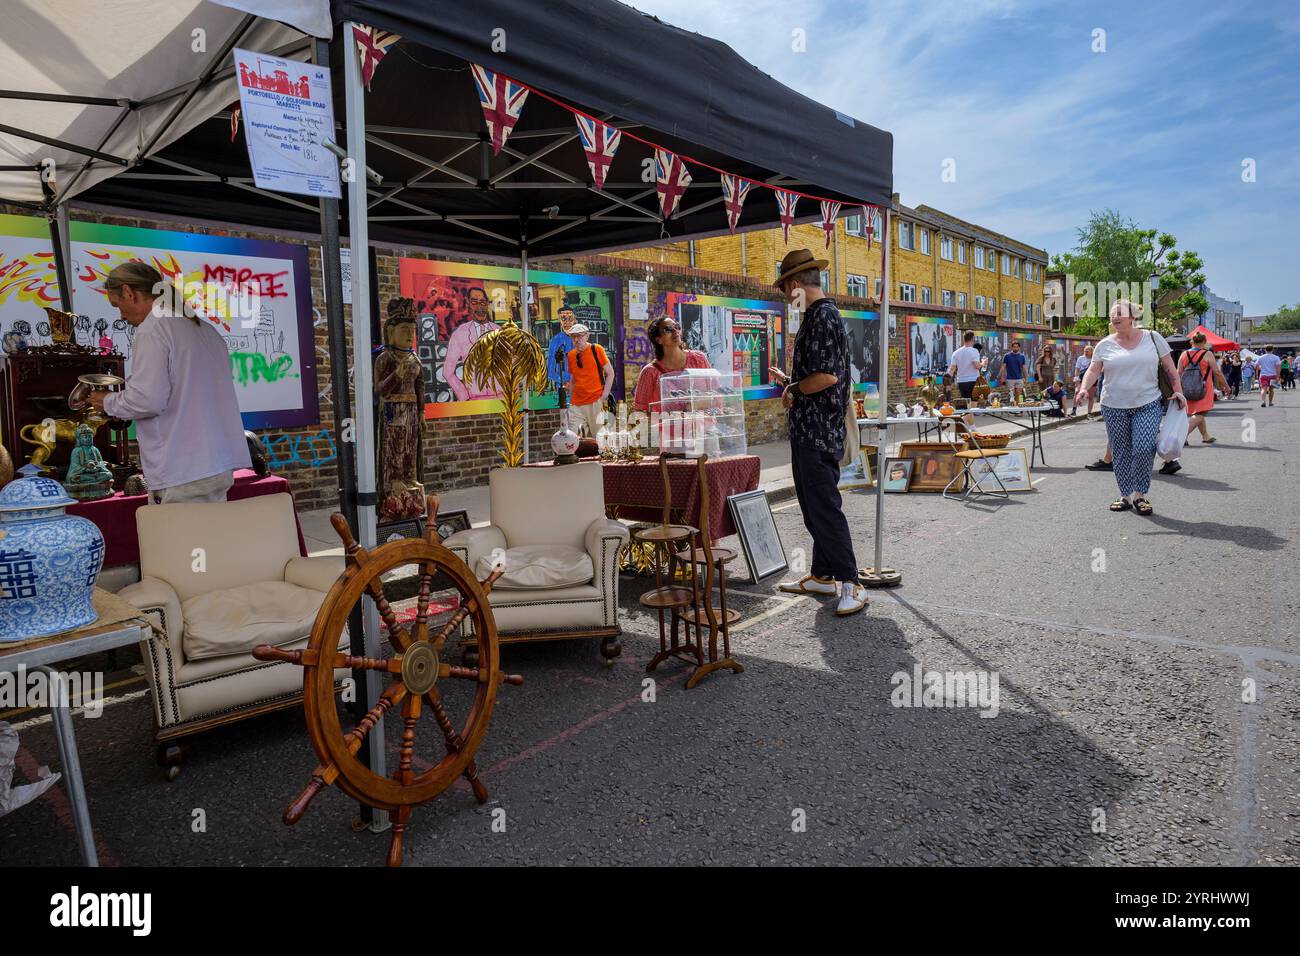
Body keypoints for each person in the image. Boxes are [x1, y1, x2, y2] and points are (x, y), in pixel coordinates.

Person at [87, 261, 250, 503]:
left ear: (129, 292)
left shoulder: (153, 329)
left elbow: (148, 400)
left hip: (181, 469)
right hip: (215, 464)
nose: (120, 315)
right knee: (212, 540)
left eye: (117, 304)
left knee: (181, 542)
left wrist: (107, 401)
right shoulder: (205, 329)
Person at [769, 249, 867, 616]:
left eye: (784, 290)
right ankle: (822, 576)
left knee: (824, 509)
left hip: (817, 432)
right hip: (813, 429)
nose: (785, 297)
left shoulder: (822, 316)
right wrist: (794, 382)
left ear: (796, 285)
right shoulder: (819, 316)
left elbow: (826, 377)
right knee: (814, 508)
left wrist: (793, 390)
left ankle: (851, 583)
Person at [1076, 300, 1186, 515]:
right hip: (1113, 405)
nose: (1114, 317)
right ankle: (1126, 495)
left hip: (1148, 402)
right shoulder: (1104, 344)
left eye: (1119, 313)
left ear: (1132, 316)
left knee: (1144, 447)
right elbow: (1093, 370)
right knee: (1121, 451)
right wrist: (1083, 389)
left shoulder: (1153, 338)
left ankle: (1141, 494)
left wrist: (1178, 390)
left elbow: (1169, 367)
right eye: (1111, 314)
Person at [632, 314, 713, 413]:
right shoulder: (650, 372)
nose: (675, 331)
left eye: (677, 327)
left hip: (704, 427)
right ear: (659, 340)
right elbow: (640, 411)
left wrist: (691, 405)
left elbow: (716, 395)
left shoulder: (699, 359)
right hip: (668, 428)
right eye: (668, 329)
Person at [443, 286, 500, 401]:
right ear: (468, 304)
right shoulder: (459, 334)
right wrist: (464, 396)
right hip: (474, 399)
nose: (480, 306)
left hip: (501, 398)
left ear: (487, 304)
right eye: (474, 302)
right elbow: (447, 372)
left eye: (483, 302)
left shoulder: (500, 332)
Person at [564, 324, 614, 438]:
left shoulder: (596, 349)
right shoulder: (571, 355)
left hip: (596, 401)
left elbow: (610, 373)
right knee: (574, 439)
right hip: (576, 405)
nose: (576, 340)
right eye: (573, 337)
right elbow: (573, 380)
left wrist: (604, 396)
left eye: (579, 336)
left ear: (587, 336)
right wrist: (571, 401)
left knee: (602, 440)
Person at [1179, 331, 1228, 444]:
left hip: (1187, 388)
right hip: (1204, 388)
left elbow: (1179, 373)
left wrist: (1177, 389)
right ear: (1205, 342)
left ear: (1192, 341)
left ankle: (1205, 436)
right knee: (1201, 413)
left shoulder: (1184, 354)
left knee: (1198, 412)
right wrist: (1226, 386)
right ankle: (1181, 436)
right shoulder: (1207, 354)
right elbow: (1217, 372)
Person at [946, 330, 985, 428]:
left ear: (964, 339)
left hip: (961, 382)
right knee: (972, 407)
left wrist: (947, 380)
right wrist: (983, 363)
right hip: (973, 381)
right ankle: (960, 425)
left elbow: (952, 369)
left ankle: (970, 428)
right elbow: (977, 366)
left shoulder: (956, 353)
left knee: (968, 407)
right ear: (972, 339)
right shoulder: (974, 351)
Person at [545, 304, 577, 392]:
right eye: (563, 319)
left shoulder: (580, 339)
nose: (567, 322)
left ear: (574, 320)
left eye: (570, 318)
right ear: (560, 320)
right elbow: (550, 368)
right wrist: (562, 382)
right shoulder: (555, 341)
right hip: (562, 387)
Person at [1001, 339, 1027, 403]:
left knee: (1018, 394)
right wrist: (1002, 378)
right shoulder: (1007, 356)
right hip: (1010, 379)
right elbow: (1003, 367)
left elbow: (1023, 368)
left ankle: (1017, 408)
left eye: (1017, 347)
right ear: (1012, 347)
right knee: (1011, 395)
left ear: (1019, 347)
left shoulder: (1022, 356)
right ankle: (1012, 408)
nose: (1015, 348)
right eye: (1014, 347)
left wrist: (1026, 378)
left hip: (1019, 378)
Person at [1072, 345, 1094, 415]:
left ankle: (1089, 413)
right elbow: (1077, 369)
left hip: (1092, 379)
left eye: (1087, 351)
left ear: (1091, 352)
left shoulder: (1094, 359)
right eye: (1085, 351)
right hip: (1081, 378)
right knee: (1077, 392)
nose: (1085, 352)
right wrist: (1076, 378)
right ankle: (1074, 410)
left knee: (1091, 396)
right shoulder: (1081, 358)